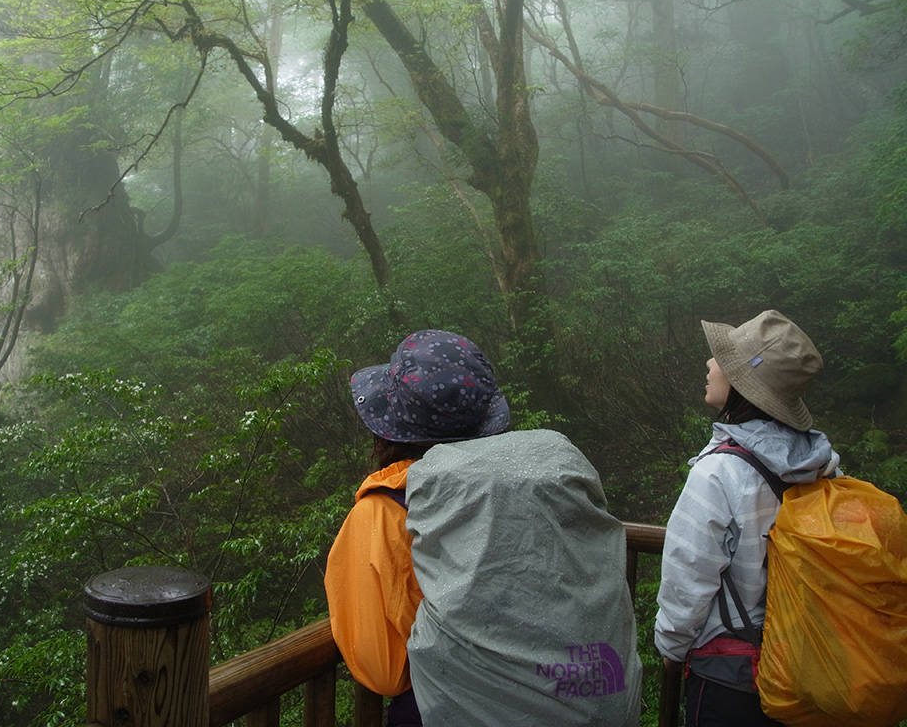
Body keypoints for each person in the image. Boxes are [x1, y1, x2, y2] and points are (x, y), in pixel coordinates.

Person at [325, 329, 642, 727]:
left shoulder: (386, 510)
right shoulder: (541, 480)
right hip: (581, 703)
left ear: (391, 428)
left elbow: (385, 671)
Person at [655, 310, 840, 727]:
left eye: (722, 359)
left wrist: (670, 647)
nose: (709, 363)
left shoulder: (719, 472)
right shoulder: (822, 466)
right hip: (810, 662)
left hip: (734, 677)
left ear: (743, 383)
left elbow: (688, 577)